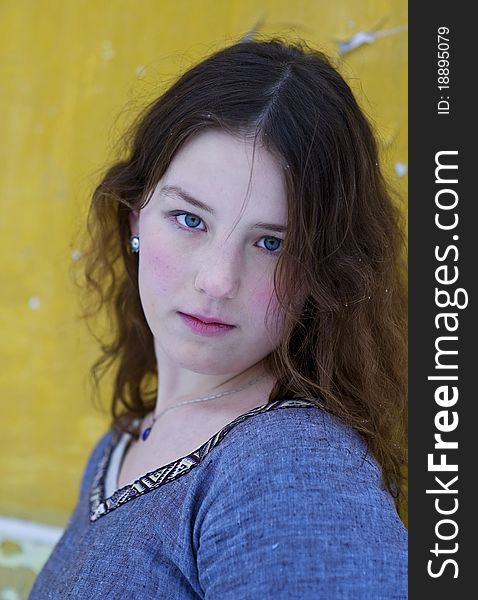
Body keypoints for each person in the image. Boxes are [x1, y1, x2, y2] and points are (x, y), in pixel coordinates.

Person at [29, 37, 408, 599]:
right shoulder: (123, 444)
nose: (218, 280)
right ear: (136, 217)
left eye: (273, 244)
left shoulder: (290, 468)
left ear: (324, 269)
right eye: (189, 219)